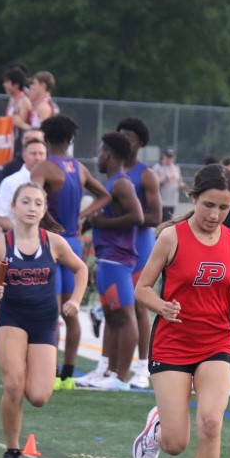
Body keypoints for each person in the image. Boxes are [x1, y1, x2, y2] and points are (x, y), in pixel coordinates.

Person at [131, 164, 230, 458]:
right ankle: (156, 430)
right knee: (175, 444)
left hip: (215, 342)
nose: (215, 214)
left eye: (224, 207)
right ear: (193, 198)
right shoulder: (171, 237)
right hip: (172, 342)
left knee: (211, 423)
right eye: (208, 205)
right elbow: (142, 288)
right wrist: (162, 307)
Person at [0, 182, 88, 458]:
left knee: (39, 397)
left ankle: (26, 366)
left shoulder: (54, 242)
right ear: (14, 208)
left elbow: (81, 269)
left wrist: (76, 301)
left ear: (44, 210)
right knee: (14, 385)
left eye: (38, 203)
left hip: (45, 321)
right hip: (12, 319)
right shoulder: (0, 245)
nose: (32, 208)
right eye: (26, 202)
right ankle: (12, 449)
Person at [29, 115, 110, 389]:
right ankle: (68, 375)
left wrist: (48, 219)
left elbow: (32, 200)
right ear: (70, 139)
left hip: (51, 245)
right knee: (70, 311)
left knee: (50, 313)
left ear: (46, 139)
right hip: (73, 244)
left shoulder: (43, 168)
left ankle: (50, 373)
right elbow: (105, 196)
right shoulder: (79, 167)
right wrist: (82, 215)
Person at [87, 132, 144, 389]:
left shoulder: (121, 183)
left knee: (125, 315)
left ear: (109, 155)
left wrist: (102, 223)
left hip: (118, 257)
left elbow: (138, 216)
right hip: (107, 256)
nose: (98, 157)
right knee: (111, 316)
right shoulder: (111, 183)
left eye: (101, 152)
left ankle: (121, 378)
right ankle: (109, 372)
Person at [117, 117, 163, 390]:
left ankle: (143, 366)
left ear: (141, 143)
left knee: (139, 305)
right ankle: (111, 367)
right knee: (116, 307)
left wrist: (125, 217)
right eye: (121, 135)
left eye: (130, 137)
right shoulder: (114, 169)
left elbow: (156, 217)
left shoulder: (146, 174)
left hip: (139, 245)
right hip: (116, 245)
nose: (125, 140)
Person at [0, 136, 47, 232]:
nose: (37, 158)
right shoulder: (11, 182)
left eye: (41, 154)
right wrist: (23, 233)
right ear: (24, 157)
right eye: (33, 153)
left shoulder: (52, 180)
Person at [151, 148, 185, 222]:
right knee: (164, 221)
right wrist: (165, 178)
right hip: (162, 200)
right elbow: (153, 182)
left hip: (173, 199)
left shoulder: (176, 167)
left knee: (170, 220)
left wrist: (181, 185)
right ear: (163, 156)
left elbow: (179, 180)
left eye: (171, 157)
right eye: (167, 157)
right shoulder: (157, 167)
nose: (169, 159)